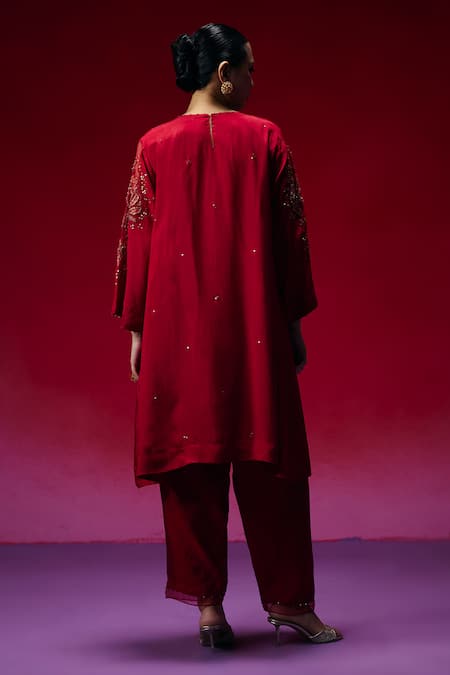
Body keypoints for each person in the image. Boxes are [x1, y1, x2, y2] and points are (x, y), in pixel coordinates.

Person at [111, 22, 343, 649]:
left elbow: (137, 240)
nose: (252, 80)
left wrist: (137, 329)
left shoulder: (152, 145)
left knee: (191, 464)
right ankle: (292, 605)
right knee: (273, 463)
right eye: (249, 68)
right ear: (224, 74)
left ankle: (209, 610)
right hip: (254, 326)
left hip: (174, 329)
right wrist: (292, 324)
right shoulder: (265, 137)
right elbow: (292, 240)